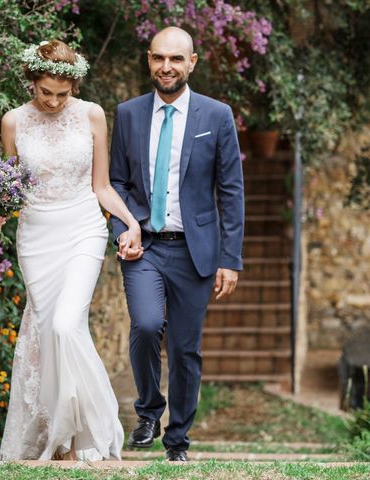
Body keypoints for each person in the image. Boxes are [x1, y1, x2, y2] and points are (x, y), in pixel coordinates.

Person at [0, 40, 143, 461]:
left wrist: (130, 222)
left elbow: (102, 185)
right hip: (37, 236)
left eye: (63, 93)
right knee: (47, 332)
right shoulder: (13, 122)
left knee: (64, 324)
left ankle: (88, 429)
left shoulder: (92, 114)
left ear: (74, 86)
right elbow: (12, 188)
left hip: (83, 228)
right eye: (46, 93)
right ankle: (61, 442)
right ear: (32, 83)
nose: (55, 101)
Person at [109, 27, 244, 462]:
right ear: (149, 60)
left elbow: (231, 190)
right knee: (147, 326)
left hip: (195, 251)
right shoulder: (127, 114)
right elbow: (116, 182)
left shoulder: (217, 115)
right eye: (158, 58)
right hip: (144, 246)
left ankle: (178, 441)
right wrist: (124, 228)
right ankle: (148, 410)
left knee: (186, 348)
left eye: (176, 59)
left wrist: (230, 259)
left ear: (192, 62)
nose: (166, 67)